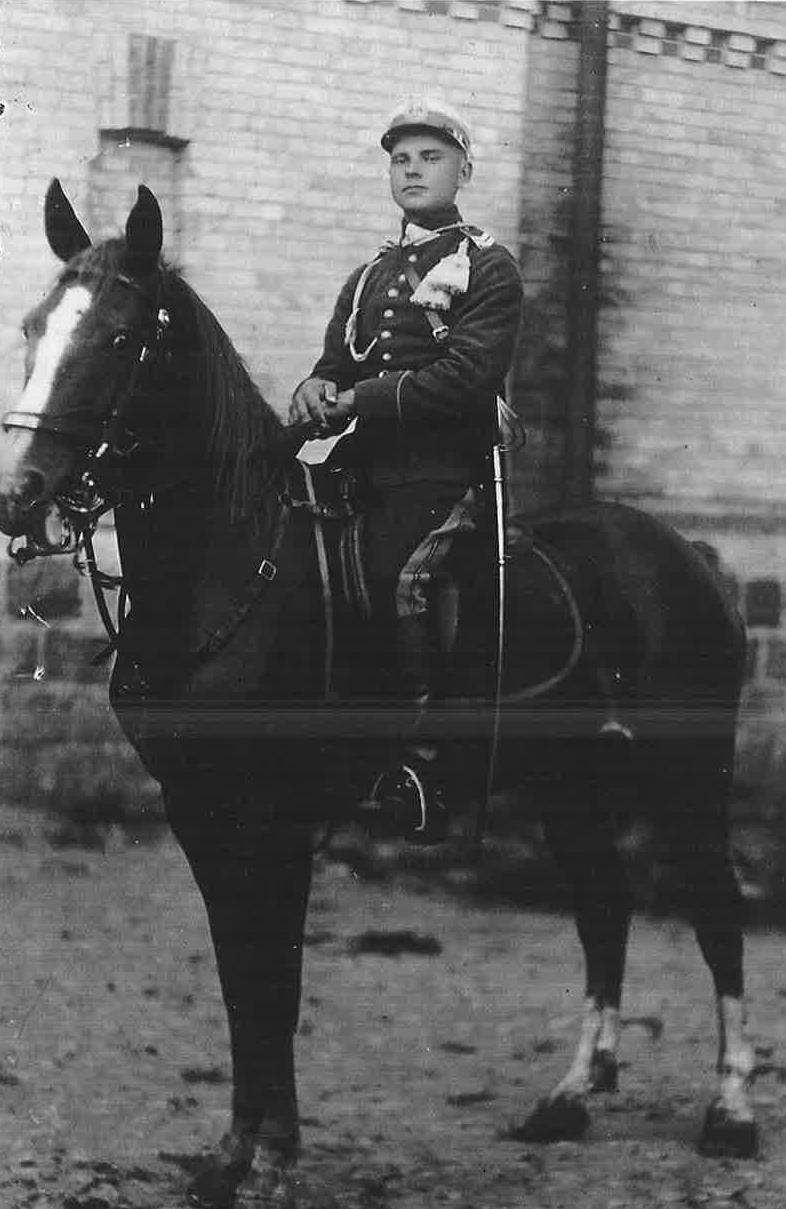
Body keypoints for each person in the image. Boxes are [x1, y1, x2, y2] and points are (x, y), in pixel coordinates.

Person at [289, 97, 524, 840]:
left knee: (402, 579)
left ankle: (421, 761)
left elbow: (468, 377)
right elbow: (336, 363)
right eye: (400, 159)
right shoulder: (367, 276)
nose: (413, 170)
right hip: (363, 468)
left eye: (430, 157)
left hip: (444, 473)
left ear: (463, 172)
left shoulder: (487, 266)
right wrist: (316, 387)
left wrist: (359, 398)